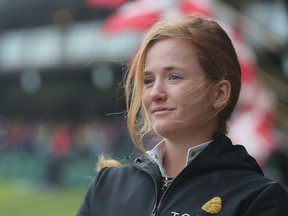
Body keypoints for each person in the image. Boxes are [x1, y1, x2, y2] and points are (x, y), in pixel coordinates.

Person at [77, 14, 288, 216]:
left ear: (220, 93)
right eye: (148, 80)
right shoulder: (106, 185)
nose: (156, 93)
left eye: (174, 77)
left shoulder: (258, 199)